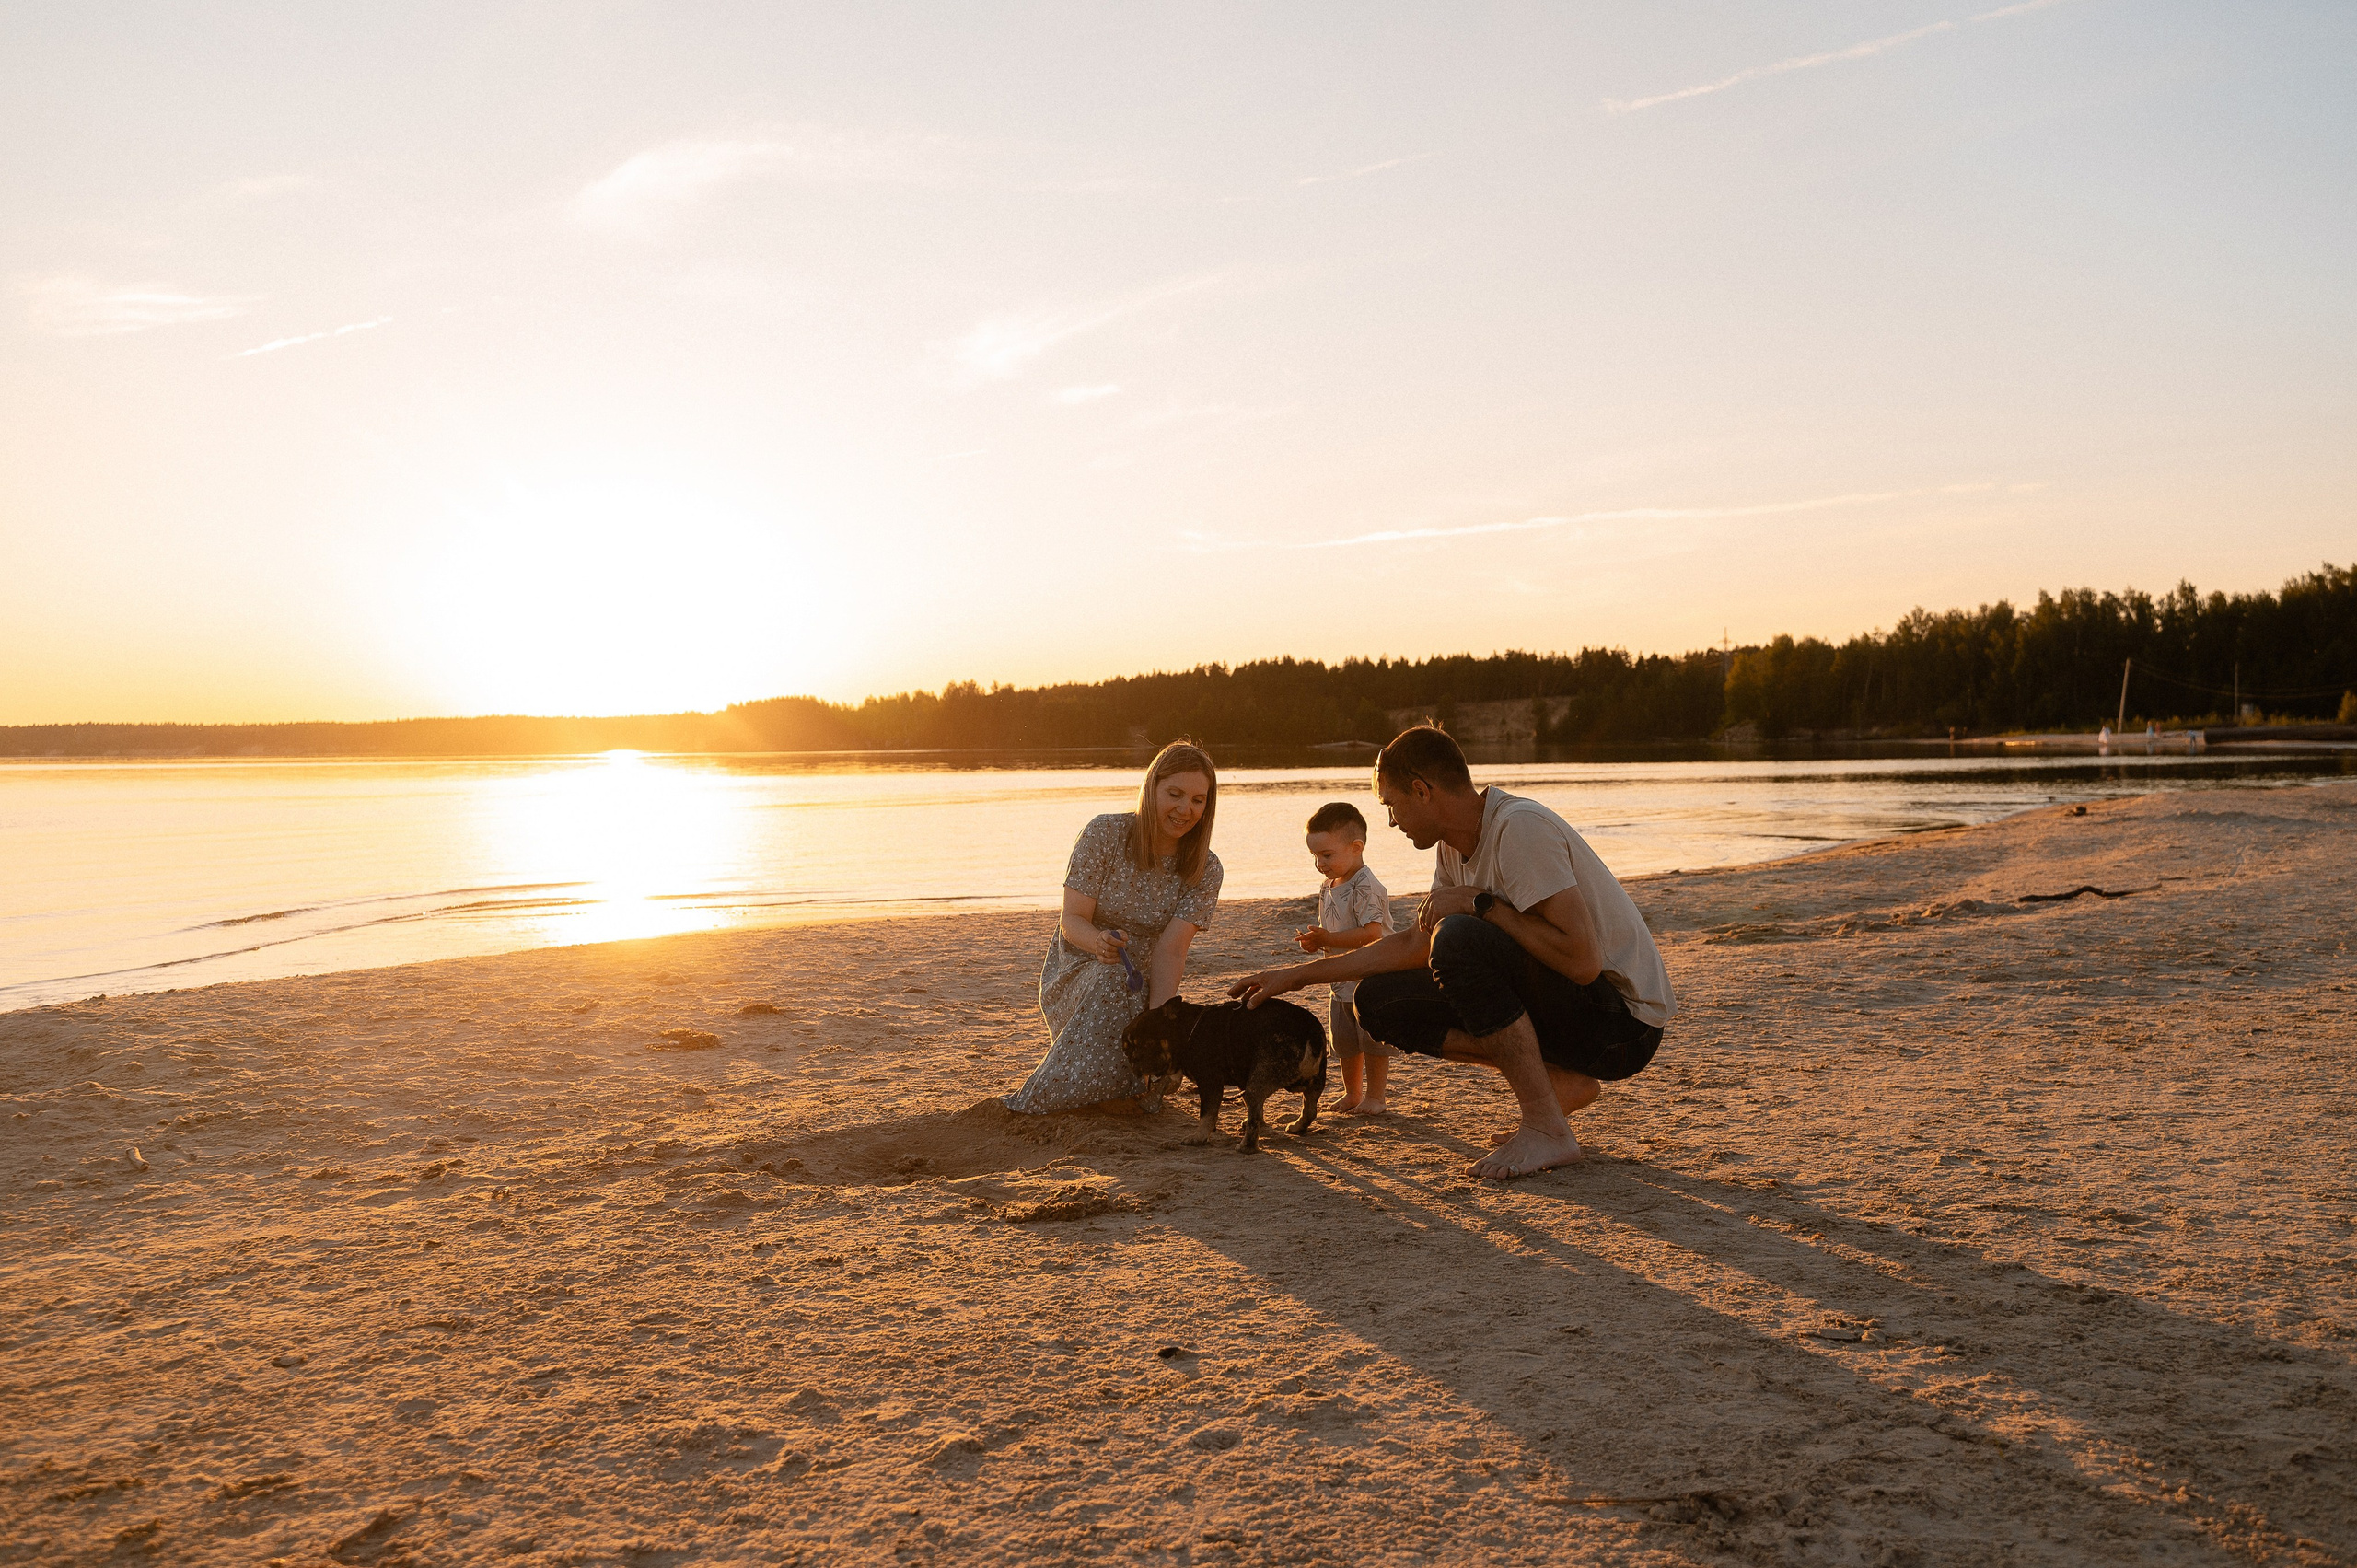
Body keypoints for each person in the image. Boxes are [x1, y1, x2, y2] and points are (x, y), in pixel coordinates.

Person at [1230, 726, 1674, 1179]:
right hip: (1575, 1013)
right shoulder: (1452, 846)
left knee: (1460, 937)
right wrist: (1297, 975)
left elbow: (1582, 963)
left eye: (1391, 805)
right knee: (1379, 1001)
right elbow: (1416, 944)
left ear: (1421, 791)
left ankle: (1547, 1129)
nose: (1391, 822)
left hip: (1624, 1024)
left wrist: (1480, 905)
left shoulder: (1519, 829)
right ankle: (1559, 1083)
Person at [1004, 741, 1223, 1115]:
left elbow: (1171, 951)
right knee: (1110, 981)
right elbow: (1071, 921)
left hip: (1146, 980)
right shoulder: (1105, 834)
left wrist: (1159, 1026)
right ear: (1151, 787)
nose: (1186, 809)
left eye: (1198, 800)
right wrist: (1099, 942)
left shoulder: (1206, 869)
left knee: (1168, 1029)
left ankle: (1123, 1090)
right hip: (1080, 966)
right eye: (1175, 794)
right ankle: (1051, 1102)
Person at [1294, 801, 1395, 1115]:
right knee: (1345, 1043)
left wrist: (1329, 939)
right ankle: (1352, 1094)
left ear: (1356, 847)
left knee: (1373, 1041)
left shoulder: (1367, 886)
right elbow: (1332, 929)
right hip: (1340, 981)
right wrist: (1318, 941)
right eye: (1315, 857)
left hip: (1371, 979)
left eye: (1326, 855)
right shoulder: (1328, 886)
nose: (1319, 864)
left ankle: (1375, 1097)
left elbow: (1372, 933)